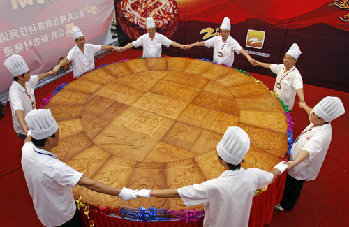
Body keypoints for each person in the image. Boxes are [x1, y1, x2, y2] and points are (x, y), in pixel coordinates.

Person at [123, 126, 288, 227]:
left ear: (222, 160)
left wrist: (141, 193)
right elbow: (270, 176)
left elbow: (178, 192)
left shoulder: (215, 186)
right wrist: (280, 167)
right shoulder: (253, 175)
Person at [22, 109, 137, 227]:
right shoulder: (54, 167)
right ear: (49, 140)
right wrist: (121, 192)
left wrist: (33, 130)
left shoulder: (27, 149)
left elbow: (28, 138)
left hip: (44, 212)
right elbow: (89, 184)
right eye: (57, 132)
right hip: (63, 215)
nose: (59, 134)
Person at [275, 96, 345, 211]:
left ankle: (286, 205)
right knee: (289, 182)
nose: (310, 114)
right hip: (296, 155)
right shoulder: (318, 120)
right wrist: (304, 106)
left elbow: (308, 150)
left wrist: (295, 162)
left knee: (293, 186)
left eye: (313, 114)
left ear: (322, 119)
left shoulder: (321, 135)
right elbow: (311, 112)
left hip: (302, 166)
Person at [4, 54, 58, 141]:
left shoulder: (26, 81)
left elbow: (37, 77)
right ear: (19, 76)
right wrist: (23, 126)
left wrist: (50, 73)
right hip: (25, 127)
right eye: (27, 73)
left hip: (33, 119)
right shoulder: (14, 91)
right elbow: (18, 109)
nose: (30, 74)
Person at [186, 17, 255, 67]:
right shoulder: (216, 39)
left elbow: (241, 50)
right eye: (222, 32)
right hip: (216, 66)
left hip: (227, 68)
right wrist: (191, 45)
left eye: (225, 32)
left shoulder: (232, 41)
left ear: (229, 32)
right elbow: (203, 43)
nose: (223, 34)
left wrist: (249, 58)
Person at [254, 43, 305, 111]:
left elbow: (299, 88)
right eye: (285, 58)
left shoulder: (296, 75)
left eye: (289, 59)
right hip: (274, 101)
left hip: (284, 106)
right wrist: (258, 63)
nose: (286, 60)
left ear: (295, 61)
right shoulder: (281, 67)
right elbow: (270, 66)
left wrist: (302, 100)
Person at [54, 26, 118, 78]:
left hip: (92, 73)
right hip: (80, 77)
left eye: (83, 39)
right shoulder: (73, 51)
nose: (82, 41)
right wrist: (59, 66)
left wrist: (113, 47)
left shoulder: (89, 47)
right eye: (80, 40)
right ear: (76, 42)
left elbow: (101, 47)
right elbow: (67, 59)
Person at [116, 17, 187, 57]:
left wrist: (180, 46)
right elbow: (133, 44)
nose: (151, 31)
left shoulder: (160, 37)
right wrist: (124, 48)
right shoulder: (143, 37)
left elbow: (171, 42)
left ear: (155, 29)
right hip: (146, 60)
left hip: (157, 61)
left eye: (153, 29)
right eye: (149, 30)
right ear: (147, 30)